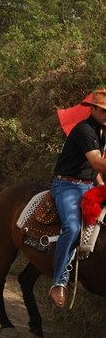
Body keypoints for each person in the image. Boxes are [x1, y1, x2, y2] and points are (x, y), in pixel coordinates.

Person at [49, 88, 106, 307]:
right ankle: (59, 281)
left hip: (89, 184)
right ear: (92, 108)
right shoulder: (84, 130)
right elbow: (97, 163)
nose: (105, 114)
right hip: (66, 185)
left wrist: (101, 185)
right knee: (72, 227)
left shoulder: (103, 132)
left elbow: (96, 172)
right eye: (102, 110)